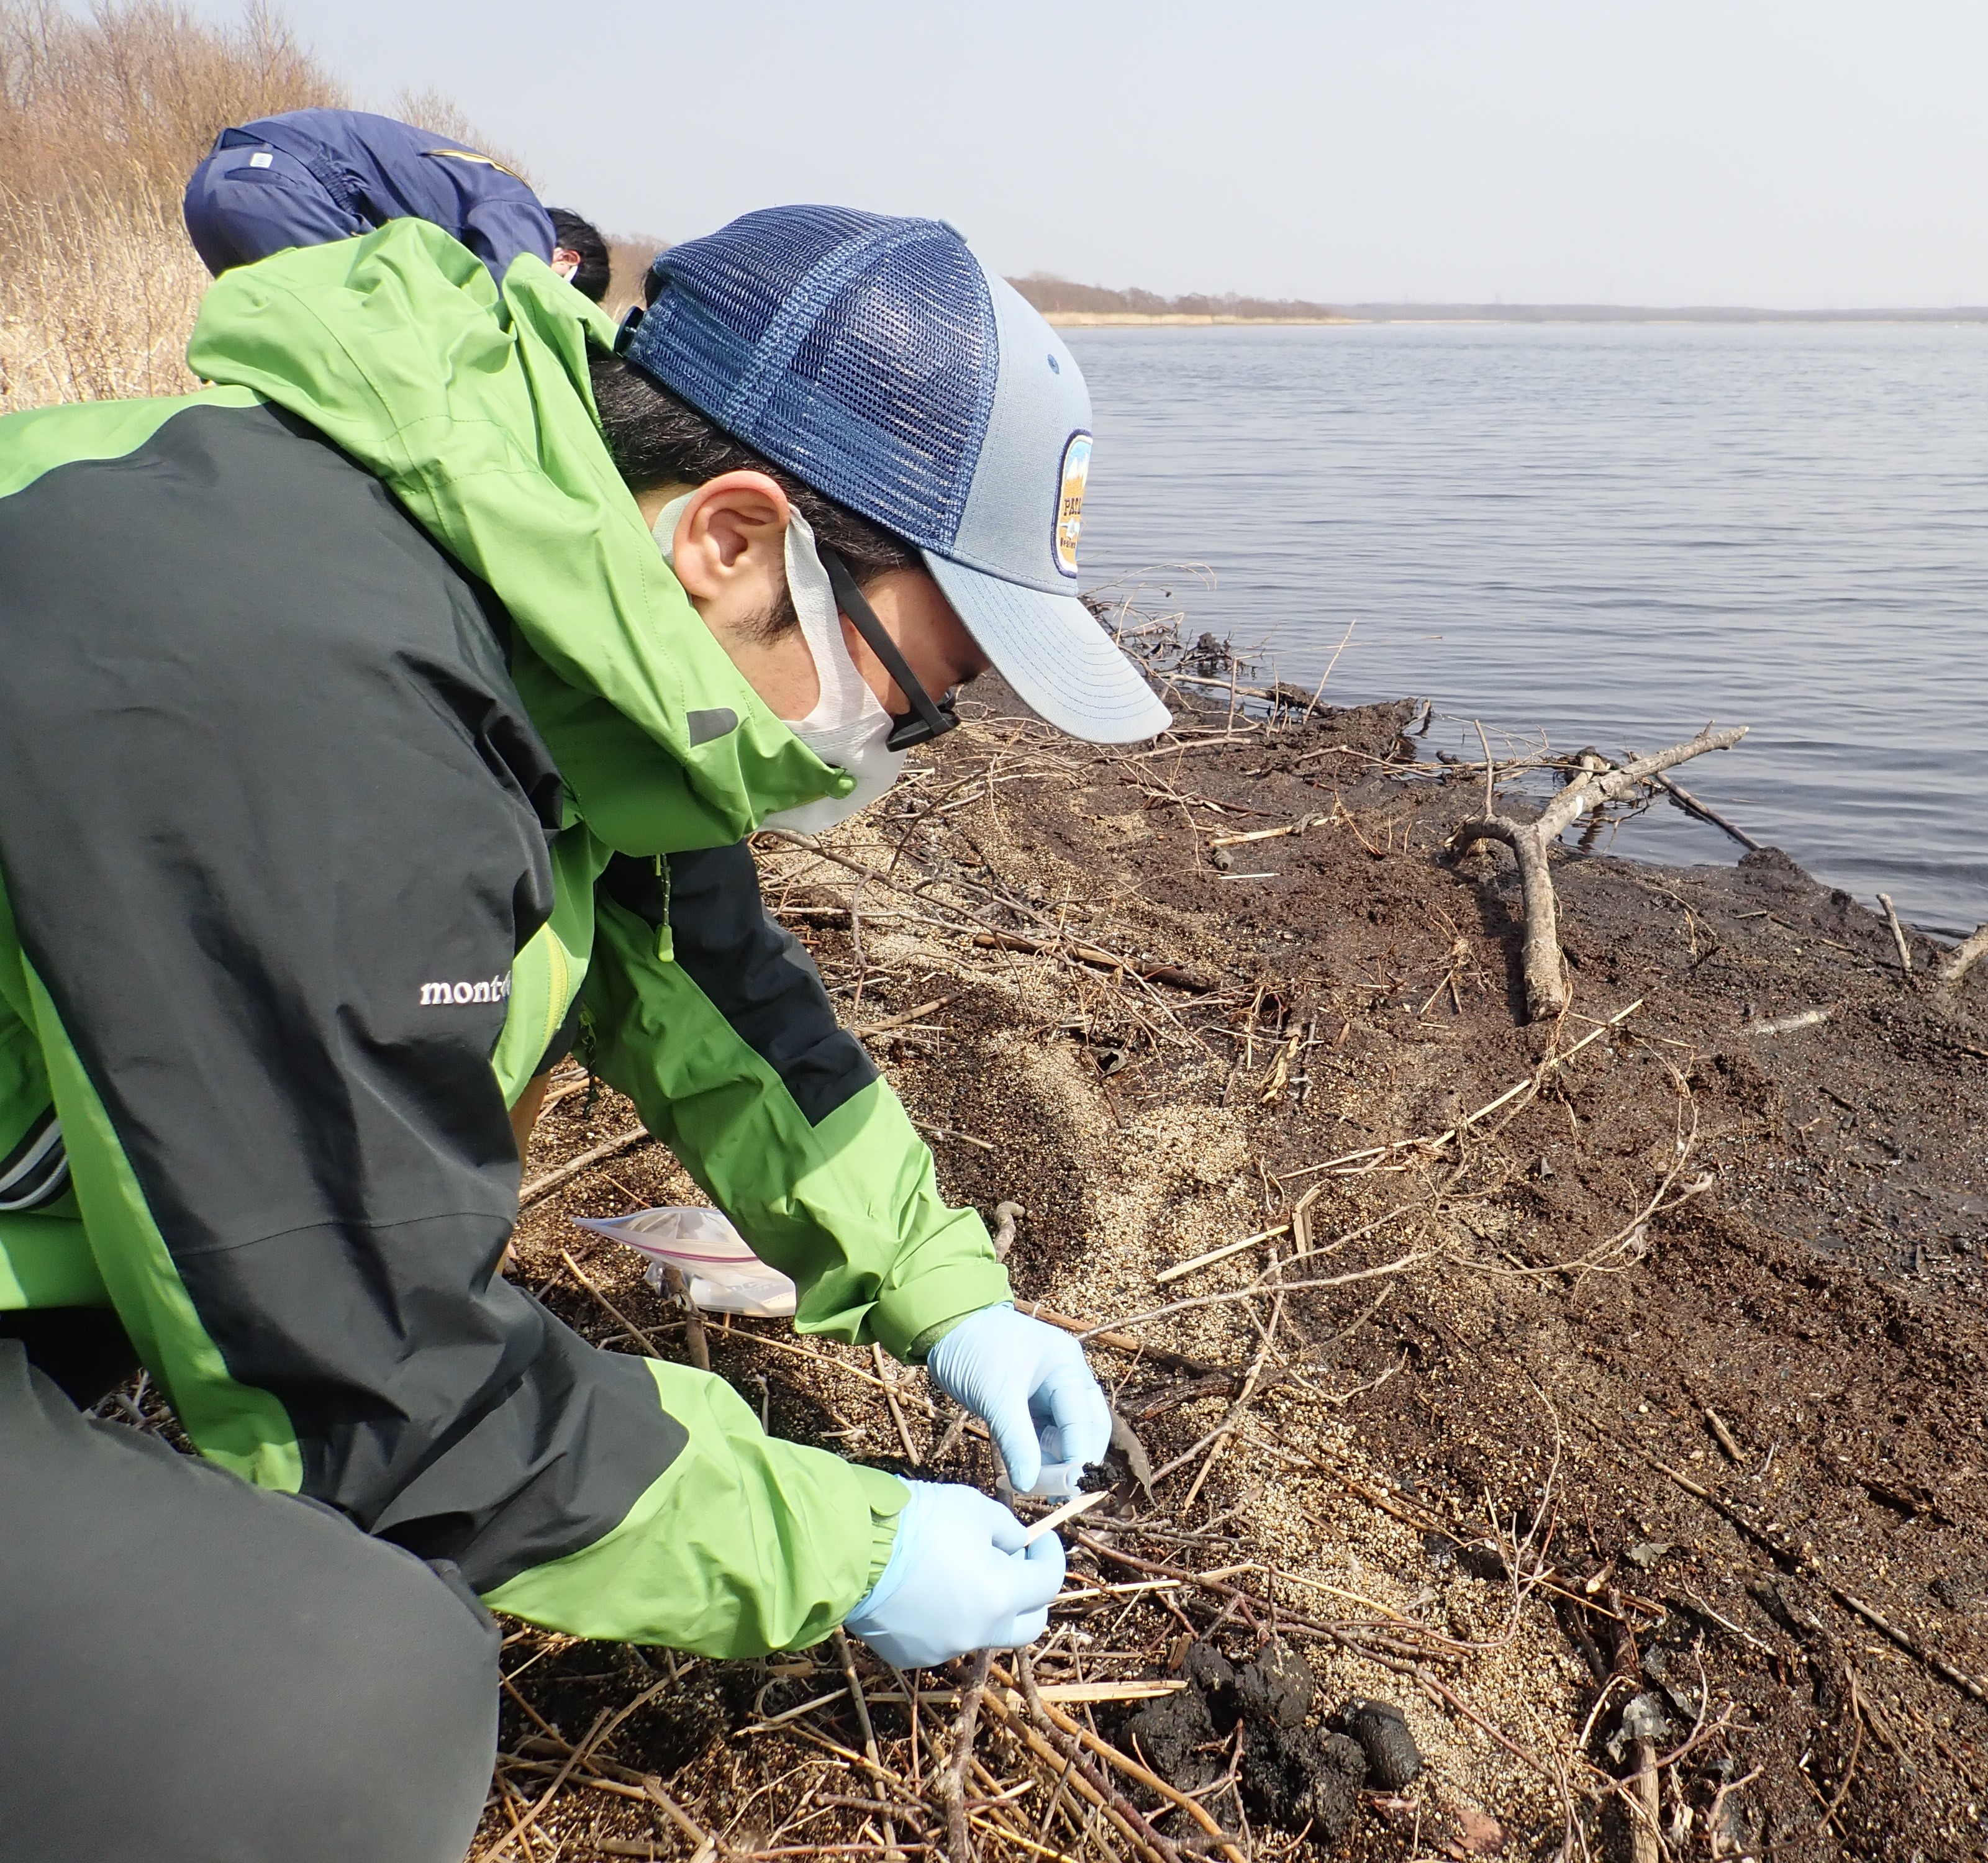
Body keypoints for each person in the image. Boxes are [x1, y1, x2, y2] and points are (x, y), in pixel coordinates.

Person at [0, 203, 1169, 1862]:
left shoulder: (526, 619)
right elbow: (379, 1392)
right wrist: (846, 1548)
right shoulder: (296, 702)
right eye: (920, 684)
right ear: (736, 540)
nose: (912, 738)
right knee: (342, 1716)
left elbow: (717, 995)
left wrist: (951, 1298)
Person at [183, 104, 611, 299]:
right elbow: (502, 301)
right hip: (281, 188)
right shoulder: (521, 208)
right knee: (376, 335)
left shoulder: (471, 188)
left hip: (211, 185)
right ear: (565, 260)